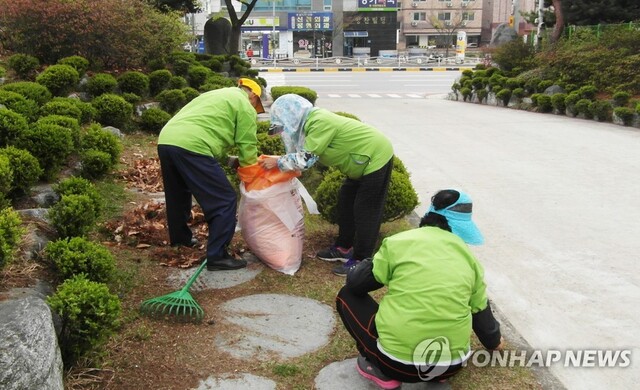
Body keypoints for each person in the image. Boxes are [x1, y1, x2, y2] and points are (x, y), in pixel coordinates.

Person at [335, 189, 504, 388]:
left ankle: (378, 369)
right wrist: (494, 343)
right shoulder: (469, 260)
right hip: (450, 366)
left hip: (396, 364)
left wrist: (374, 262)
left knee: (346, 295)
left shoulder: (399, 243)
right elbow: (480, 310)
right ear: (460, 228)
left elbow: (356, 284)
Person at [259, 93, 394, 276]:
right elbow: (302, 157)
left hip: (376, 157)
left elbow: (305, 159)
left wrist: (278, 162)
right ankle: (344, 248)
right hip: (360, 163)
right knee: (346, 202)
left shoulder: (319, 121)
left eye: (283, 124)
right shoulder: (307, 125)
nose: (284, 131)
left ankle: (362, 260)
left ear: (292, 115)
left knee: (365, 210)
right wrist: (282, 162)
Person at [157, 78, 265, 271]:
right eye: (257, 106)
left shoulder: (216, 95)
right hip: (193, 146)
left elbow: (209, 133)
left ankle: (180, 239)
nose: (255, 110)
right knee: (224, 199)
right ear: (254, 95)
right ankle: (218, 256)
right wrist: (252, 174)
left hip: (167, 140)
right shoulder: (245, 105)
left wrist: (231, 161)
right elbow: (247, 144)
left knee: (178, 194)